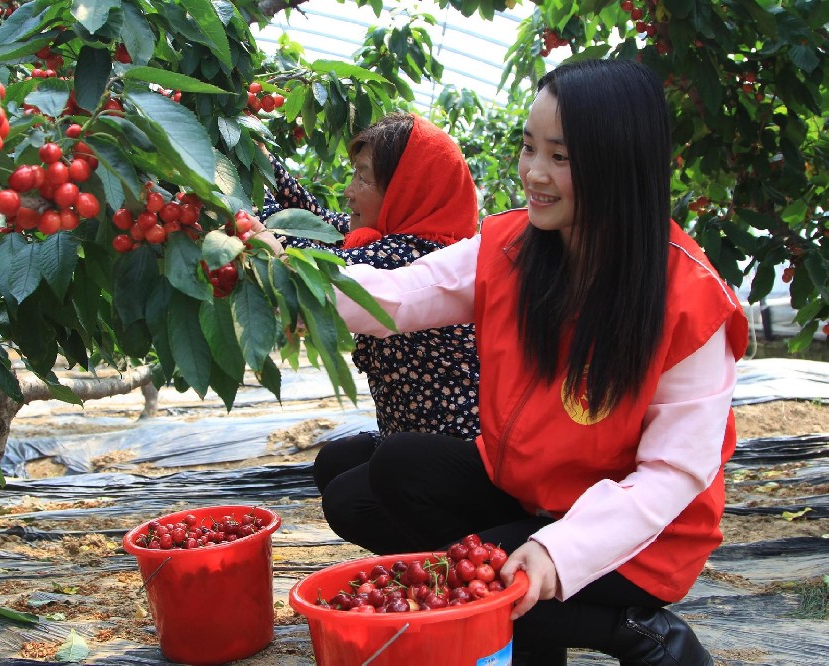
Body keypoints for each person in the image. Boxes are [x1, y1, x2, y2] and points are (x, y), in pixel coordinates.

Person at [273, 59, 747, 665]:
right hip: (532, 494)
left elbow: (671, 477)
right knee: (395, 468)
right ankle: (533, 628)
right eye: (528, 149)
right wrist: (287, 273)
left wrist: (559, 551)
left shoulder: (688, 302)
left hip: (642, 536)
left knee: (489, 579)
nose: (533, 174)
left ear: (618, 161)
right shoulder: (515, 245)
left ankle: (636, 628)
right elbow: (400, 293)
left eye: (561, 157)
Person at [259, 113, 483, 498]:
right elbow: (315, 222)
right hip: (406, 439)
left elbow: (309, 260)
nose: (349, 190)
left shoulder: (414, 254)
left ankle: (454, 545)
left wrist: (234, 203)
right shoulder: (386, 238)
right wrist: (262, 161)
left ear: (405, 189)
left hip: (456, 455)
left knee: (350, 495)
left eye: (363, 177)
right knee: (335, 462)